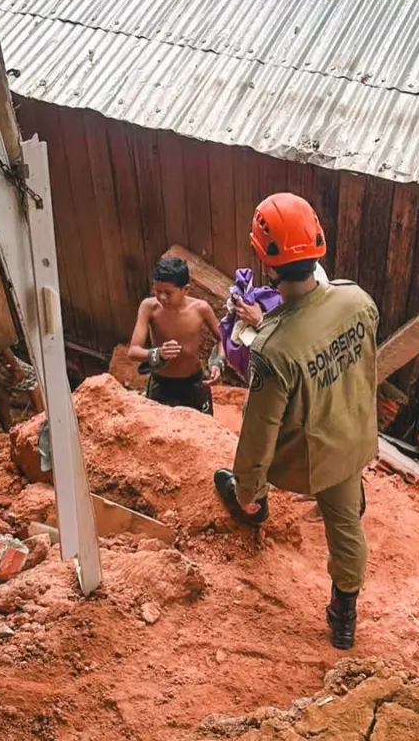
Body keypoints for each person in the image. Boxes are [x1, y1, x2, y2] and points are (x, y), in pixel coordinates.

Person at [212, 193, 379, 650]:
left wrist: (246, 487)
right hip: (353, 438)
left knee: (252, 473)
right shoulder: (358, 300)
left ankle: (254, 507)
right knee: (345, 527)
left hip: (309, 457)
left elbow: (257, 436)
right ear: (318, 244)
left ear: (268, 263)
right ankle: (343, 617)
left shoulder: (272, 349)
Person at [128, 255, 224, 415]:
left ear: (185, 289)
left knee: (201, 430)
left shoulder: (201, 309)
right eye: (158, 291)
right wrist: (158, 353)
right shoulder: (149, 307)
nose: (162, 297)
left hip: (194, 383)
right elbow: (133, 351)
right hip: (161, 385)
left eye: (168, 292)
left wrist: (217, 363)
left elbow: (222, 340)